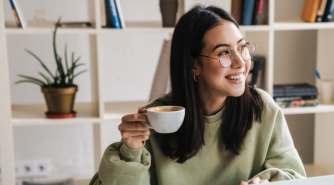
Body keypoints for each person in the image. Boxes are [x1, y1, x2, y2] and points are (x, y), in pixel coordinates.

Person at [89, 5, 306, 185]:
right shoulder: (156, 119)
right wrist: (131, 150)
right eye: (224, 53)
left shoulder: (262, 109)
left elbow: (295, 176)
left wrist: (266, 182)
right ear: (194, 65)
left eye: (242, 48)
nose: (240, 62)